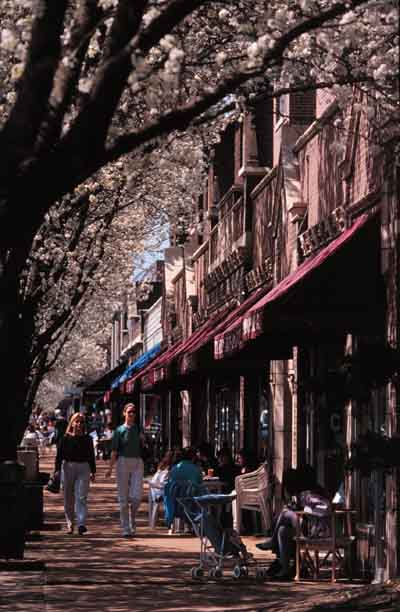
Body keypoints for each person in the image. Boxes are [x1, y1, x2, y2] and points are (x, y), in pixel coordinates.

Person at [256, 466, 329, 580]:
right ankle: (284, 568)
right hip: (305, 527)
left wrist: (307, 509)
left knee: (285, 513)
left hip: (314, 530)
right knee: (282, 530)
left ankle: (272, 541)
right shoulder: (305, 494)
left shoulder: (311, 494)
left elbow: (324, 509)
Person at [106, 403, 145, 537]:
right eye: (129, 412)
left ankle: (132, 518)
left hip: (138, 462)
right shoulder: (119, 430)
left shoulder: (138, 429)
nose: (132, 414)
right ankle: (125, 527)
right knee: (123, 498)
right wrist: (110, 468)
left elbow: (143, 445)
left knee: (136, 497)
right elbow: (114, 451)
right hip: (123, 462)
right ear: (124, 414)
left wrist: (143, 440)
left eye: (134, 412)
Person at [55, 413, 96, 535]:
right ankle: (70, 523)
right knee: (68, 497)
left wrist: (93, 471)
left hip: (84, 468)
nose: (79, 424)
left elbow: (91, 456)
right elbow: (59, 457)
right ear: (72, 423)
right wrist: (57, 470)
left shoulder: (88, 439)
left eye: (81, 422)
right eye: (76, 421)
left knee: (81, 496)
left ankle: (81, 523)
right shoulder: (65, 438)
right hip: (68, 468)